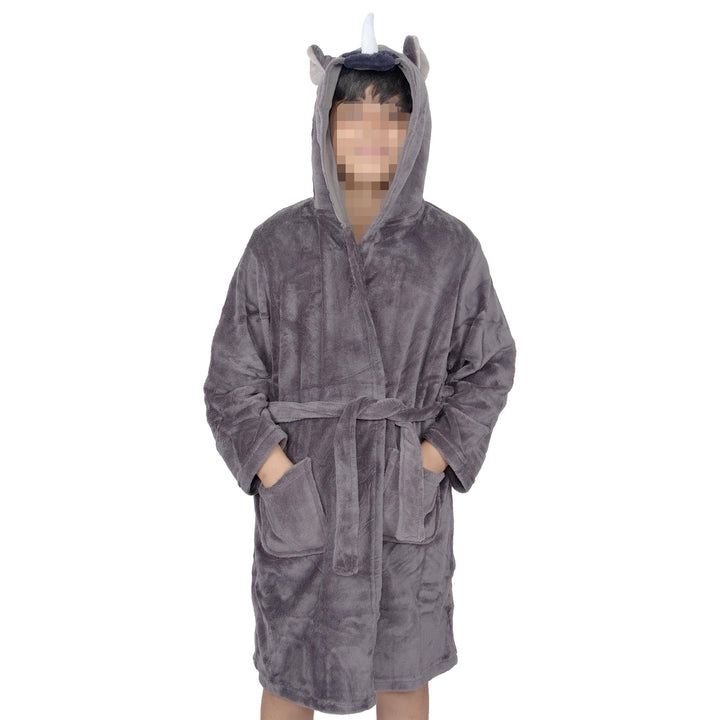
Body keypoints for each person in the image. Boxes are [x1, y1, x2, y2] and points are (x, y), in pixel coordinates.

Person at [203, 15, 516, 719]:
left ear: (416, 129)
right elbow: (230, 381)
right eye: (353, 117)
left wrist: (431, 459)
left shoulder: (451, 248)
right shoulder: (275, 245)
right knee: (290, 678)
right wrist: (278, 475)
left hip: (403, 499)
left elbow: (490, 363)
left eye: (391, 118)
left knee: (402, 673)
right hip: (306, 497)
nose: (372, 135)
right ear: (325, 126)